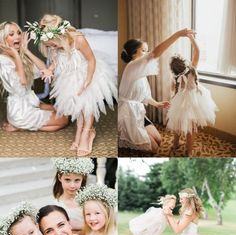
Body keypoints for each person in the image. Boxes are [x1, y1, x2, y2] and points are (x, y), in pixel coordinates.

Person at [27, 14, 117, 156]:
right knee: (77, 107)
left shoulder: (78, 39)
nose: (52, 47)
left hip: (87, 73)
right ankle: (81, 132)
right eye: (48, 45)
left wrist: (88, 80)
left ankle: (86, 133)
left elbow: (91, 60)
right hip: (68, 77)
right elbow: (56, 61)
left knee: (87, 104)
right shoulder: (53, 45)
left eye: (53, 44)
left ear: (61, 35)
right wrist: (49, 70)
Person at [118, 29, 193, 154]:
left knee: (159, 140)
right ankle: (122, 134)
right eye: (144, 50)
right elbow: (156, 53)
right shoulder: (132, 66)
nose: (147, 53)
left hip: (138, 112)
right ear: (134, 53)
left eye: (147, 50)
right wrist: (177, 34)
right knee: (154, 149)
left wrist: (157, 104)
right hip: (128, 115)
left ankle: (136, 133)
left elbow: (144, 96)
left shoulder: (139, 72)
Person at [0, 21, 68, 131]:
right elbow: (22, 82)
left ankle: (21, 124)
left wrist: (26, 51)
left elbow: (44, 70)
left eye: (19, 33)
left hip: (30, 101)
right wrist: (17, 56)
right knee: (64, 120)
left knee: (64, 111)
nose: (17, 37)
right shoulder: (3, 61)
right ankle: (19, 125)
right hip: (20, 111)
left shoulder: (21, 57)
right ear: (3, 39)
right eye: (11, 34)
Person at [167, 34, 218, 156]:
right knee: (191, 127)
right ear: (186, 63)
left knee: (178, 122)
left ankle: (175, 143)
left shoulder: (175, 76)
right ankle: (189, 151)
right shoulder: (192, 68)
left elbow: (173, 89)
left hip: (180, 100)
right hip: (194, 100)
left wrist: (174, 97)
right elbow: (198, 51)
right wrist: (191, 38)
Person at [52, 157, 94, 231]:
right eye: (67, 180)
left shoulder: (89, 200)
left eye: (77, 180)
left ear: (83, 178)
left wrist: (79, 225)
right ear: (59, 177)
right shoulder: (57, 205)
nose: (72, 185)